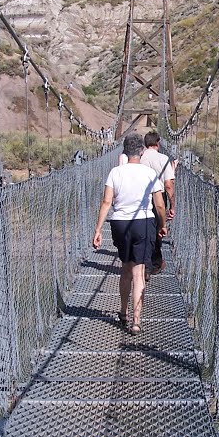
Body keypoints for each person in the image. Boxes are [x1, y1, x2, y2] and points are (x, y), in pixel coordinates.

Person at [93, 133, 167, 335]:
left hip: (119, 224)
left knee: (126, 268)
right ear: (142, 152)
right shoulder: (150, 173)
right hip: (143, 223)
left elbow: (107, 202)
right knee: (139, 272)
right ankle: (136, 322)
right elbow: (159, 204)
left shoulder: (115, 172)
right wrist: (162, 224)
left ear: (124, 151)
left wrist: (98, 229)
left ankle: (123, 312)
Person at [140, 131, 175, 274]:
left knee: (144, 231)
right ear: (158, 143)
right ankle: (154, 264)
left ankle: (145, 266)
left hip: (141, 198)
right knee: (158, 230)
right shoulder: (164, 159)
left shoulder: (139, 158)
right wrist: (172, 205)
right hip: (159, 197)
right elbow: (168, 185)